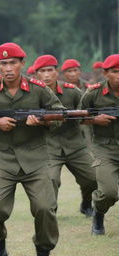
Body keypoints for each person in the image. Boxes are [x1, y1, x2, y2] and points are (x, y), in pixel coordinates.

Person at [0, 43, 61, 256]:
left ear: (22, 64)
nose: (8, 68)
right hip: (3, 158)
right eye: (3, 63)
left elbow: (59, 115)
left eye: (13, 63)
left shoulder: (39, 89)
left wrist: (41, 122)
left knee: (45, 208)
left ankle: (43, 249)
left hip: (36, 157)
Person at [33, 55, 97, 217]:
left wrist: (93, 118)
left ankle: (86, 202)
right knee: (51, 180)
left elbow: (87, 111)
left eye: (50, 70)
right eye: (42, 71)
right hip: (48, 147)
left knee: (93, 179)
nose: (46, 75)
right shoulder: (31, 94)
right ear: (36, 74)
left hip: (75, 144)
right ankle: (51, 212)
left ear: (57, 72)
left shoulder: (72, 92)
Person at [80, 54, 119, 235]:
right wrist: (95, 119)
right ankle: (98, 213)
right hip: (105, 148)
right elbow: (79, 117)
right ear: (105, 73)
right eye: (115, 72)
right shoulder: (93, 93)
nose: (118, 76)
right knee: (109, 192)